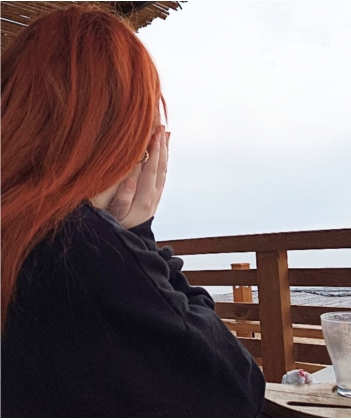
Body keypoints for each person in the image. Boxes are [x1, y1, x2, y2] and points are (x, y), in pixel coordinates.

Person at [1, 5, 266, 418]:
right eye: (142, 140)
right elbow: (237, 390)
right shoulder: (78, 245)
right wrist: (137, 234)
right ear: (116, 133)